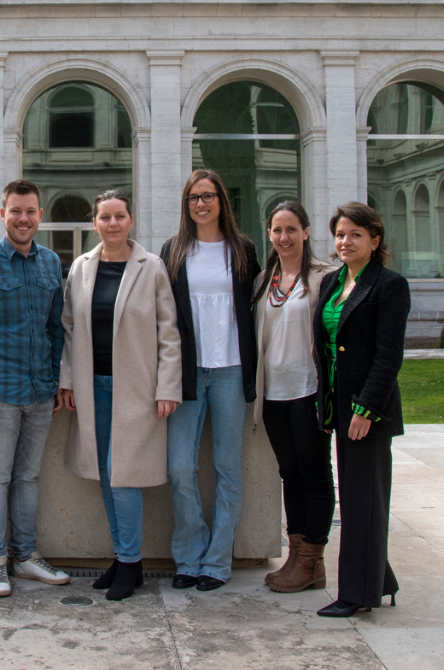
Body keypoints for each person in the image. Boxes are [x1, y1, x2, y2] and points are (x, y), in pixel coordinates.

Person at [58, 190, 182, 601]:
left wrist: (168, 387)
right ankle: (124, 557)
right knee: (107, 476)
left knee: (124, 476)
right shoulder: (81, 267)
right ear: (95, 223)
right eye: (105, 217)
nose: (112, 224)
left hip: (138, 389)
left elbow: (169, 333)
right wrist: (68, 381)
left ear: (131, 220)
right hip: (94, 388)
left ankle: (130, 561)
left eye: (120, 216)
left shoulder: (152, 267)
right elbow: (70, 329)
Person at [0, 179, 71, 598]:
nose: (23, 219)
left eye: (30, 211)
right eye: (15, 211)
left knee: (28, 476)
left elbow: (55, 328)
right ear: (3, 214)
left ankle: (25, 556)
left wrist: (56, 381)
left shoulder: (50, 264)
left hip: (40, 393)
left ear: (40, 215)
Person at [159, 169, 259, 592]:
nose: (201, 204)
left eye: (209, 196)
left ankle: (217, 561)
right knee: (180, 467)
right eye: (194, 198)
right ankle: (188, 555)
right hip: (188, 372)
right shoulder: (174, 250)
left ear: (222, 201)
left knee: (227, 469)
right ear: (186, 205)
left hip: (231, 370)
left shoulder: (243, 248)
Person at [312, 202, 410, 618]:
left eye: (355, 234)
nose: (345, 241)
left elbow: (389, 356)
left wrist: (366, 408)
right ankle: (379, 579)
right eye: (339, 234)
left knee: (362, 501)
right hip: (338, 405)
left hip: (366, 412)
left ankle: (357, 594)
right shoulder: (332, 283)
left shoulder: (389, 285)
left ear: (375, 240)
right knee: (358, 498)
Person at [254, 200, 339, 594]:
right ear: (269, 234)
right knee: (289, 473)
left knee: (315, 473)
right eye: (276, 230)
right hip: (273, 395)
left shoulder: (326, 278)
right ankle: (296, 553)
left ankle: (312, 560)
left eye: (291, 229)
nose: (283, 237)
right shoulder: (263, 280)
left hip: (309, 392)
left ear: (306, 231)